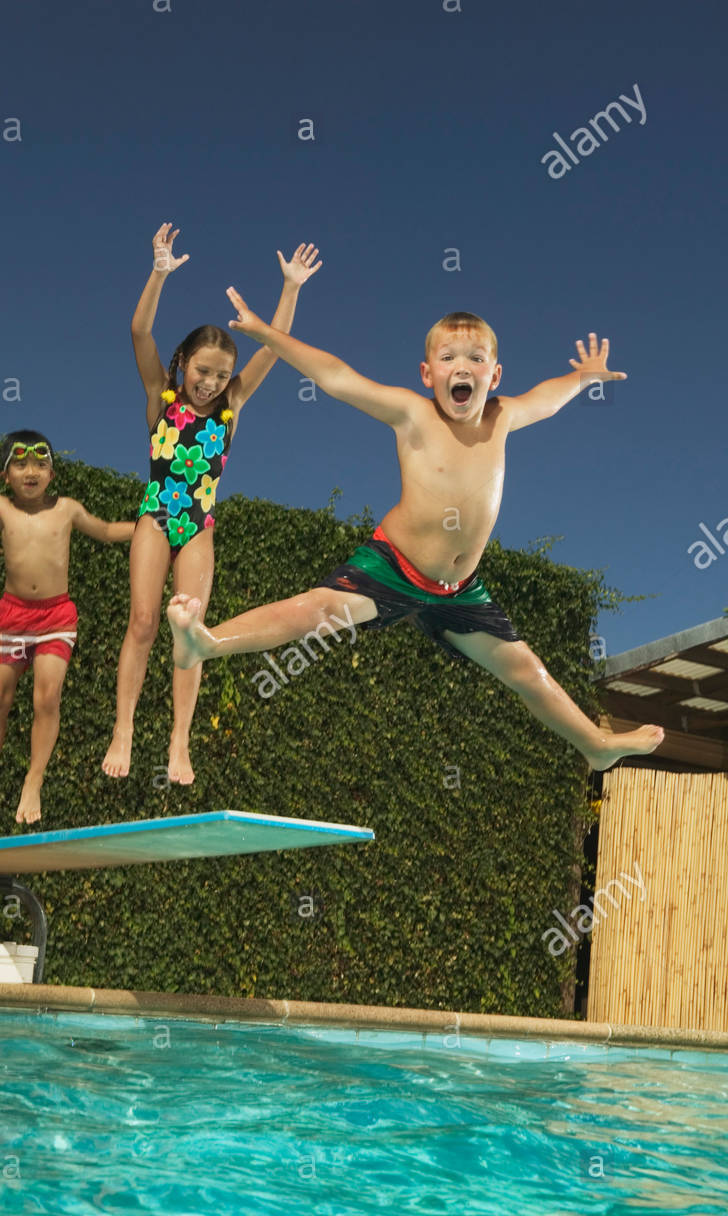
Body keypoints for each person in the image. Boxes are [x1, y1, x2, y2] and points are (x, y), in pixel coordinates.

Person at [167, 296, 664, 772]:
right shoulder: (412, 413)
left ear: (495, 375)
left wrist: (584, 376)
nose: (462, 367)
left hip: (459, 589)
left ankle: (596, 746)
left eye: (477, 358)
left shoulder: (502, 416)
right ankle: (207, 642)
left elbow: (548, 400)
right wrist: (265, 333)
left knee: (525, 671)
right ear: (428, 374)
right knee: (321, 610)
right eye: (448, 357)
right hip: (394, 566)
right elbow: (337, 377)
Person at [102, 224, 322, 784]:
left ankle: (179, 743)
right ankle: (123, 729)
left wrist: (290, 288)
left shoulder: (233, 406)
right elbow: (138, 330)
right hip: (155, 516)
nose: (211, 382)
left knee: (189, 632)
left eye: (221, 374)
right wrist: (158, 272)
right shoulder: (162, 395)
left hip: (198, 527)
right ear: (184, 365)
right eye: (203, 371)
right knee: (144, 621)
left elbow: (275, 347)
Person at [0, 432, 135, 824]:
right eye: (20, 464)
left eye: (40, 465)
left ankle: (34, 779)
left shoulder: (68, 509)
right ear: (5, 474)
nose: (31, 472)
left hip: (55, 617)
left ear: (53, 473)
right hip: (11, 616)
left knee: (47, 697)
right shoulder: (3, 509)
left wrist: (152, 524)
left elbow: (108, 531)